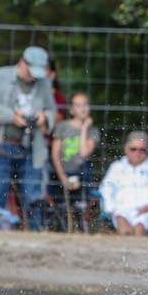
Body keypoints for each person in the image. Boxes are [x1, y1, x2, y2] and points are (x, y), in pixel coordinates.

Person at [0, 46, 57, 230]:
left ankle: (36, 236)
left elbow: (52, 111)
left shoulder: (44, 83)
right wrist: (11, 116)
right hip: (1, 145)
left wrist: (45, 116)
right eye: (31, 71)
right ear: (23, 63)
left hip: (30, 147)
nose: (34, 76)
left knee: (33, 196)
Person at [99, 132, 148, 236]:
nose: (137, 153)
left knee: (139, 228)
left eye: (142, 150)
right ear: (126, 149)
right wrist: (111, 208)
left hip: (147, 210)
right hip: (120, 209)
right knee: (123, 226)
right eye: (133, 149)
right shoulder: (116, 167)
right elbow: (106, 188)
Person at [49, 91, 100, 229]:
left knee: (81, 211)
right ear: (71, 110)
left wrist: (84, 128)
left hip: (82, 175)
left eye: (85, 104)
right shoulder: (62, 127)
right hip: (61, 174)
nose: (82, 108)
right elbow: (55, 155)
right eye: (78, 105)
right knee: (61, 212)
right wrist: (63, 178)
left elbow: (84, 153)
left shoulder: (93, 131)